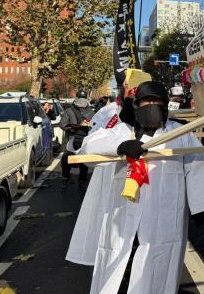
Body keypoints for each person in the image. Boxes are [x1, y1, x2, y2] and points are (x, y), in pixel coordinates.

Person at [78, 81, 204, 293]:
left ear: (165, 105)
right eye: (146, 101)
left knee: (159, 268)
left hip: (164, 214)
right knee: (120, 266)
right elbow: (87, 149)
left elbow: (195, 165)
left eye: (157, 101)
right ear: (136, 105)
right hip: (123, 215)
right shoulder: (123, 131)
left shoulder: (179, 134)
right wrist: (119, 147)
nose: (152, 105)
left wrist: (200, 205)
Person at [66, 69, 151, 267]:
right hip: (112, 177)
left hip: (149, 179)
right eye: (128, 90)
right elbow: (90, 141)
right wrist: (79, 143)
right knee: (113, 233)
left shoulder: (154, 111)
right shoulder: (108, 111)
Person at [60, 90, 95, 189]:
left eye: (83, 99)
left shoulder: (91, 112)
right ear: (76, 99)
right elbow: (62, 124)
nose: (82, 101)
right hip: (71, 139)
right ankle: (65, 179)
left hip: (84, 139)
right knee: (66, 161)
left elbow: (95, 125)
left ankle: (82, 181)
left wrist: (89, 127)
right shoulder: (69, 111)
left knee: (84, 162)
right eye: (80, 99)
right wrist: (71, 128)